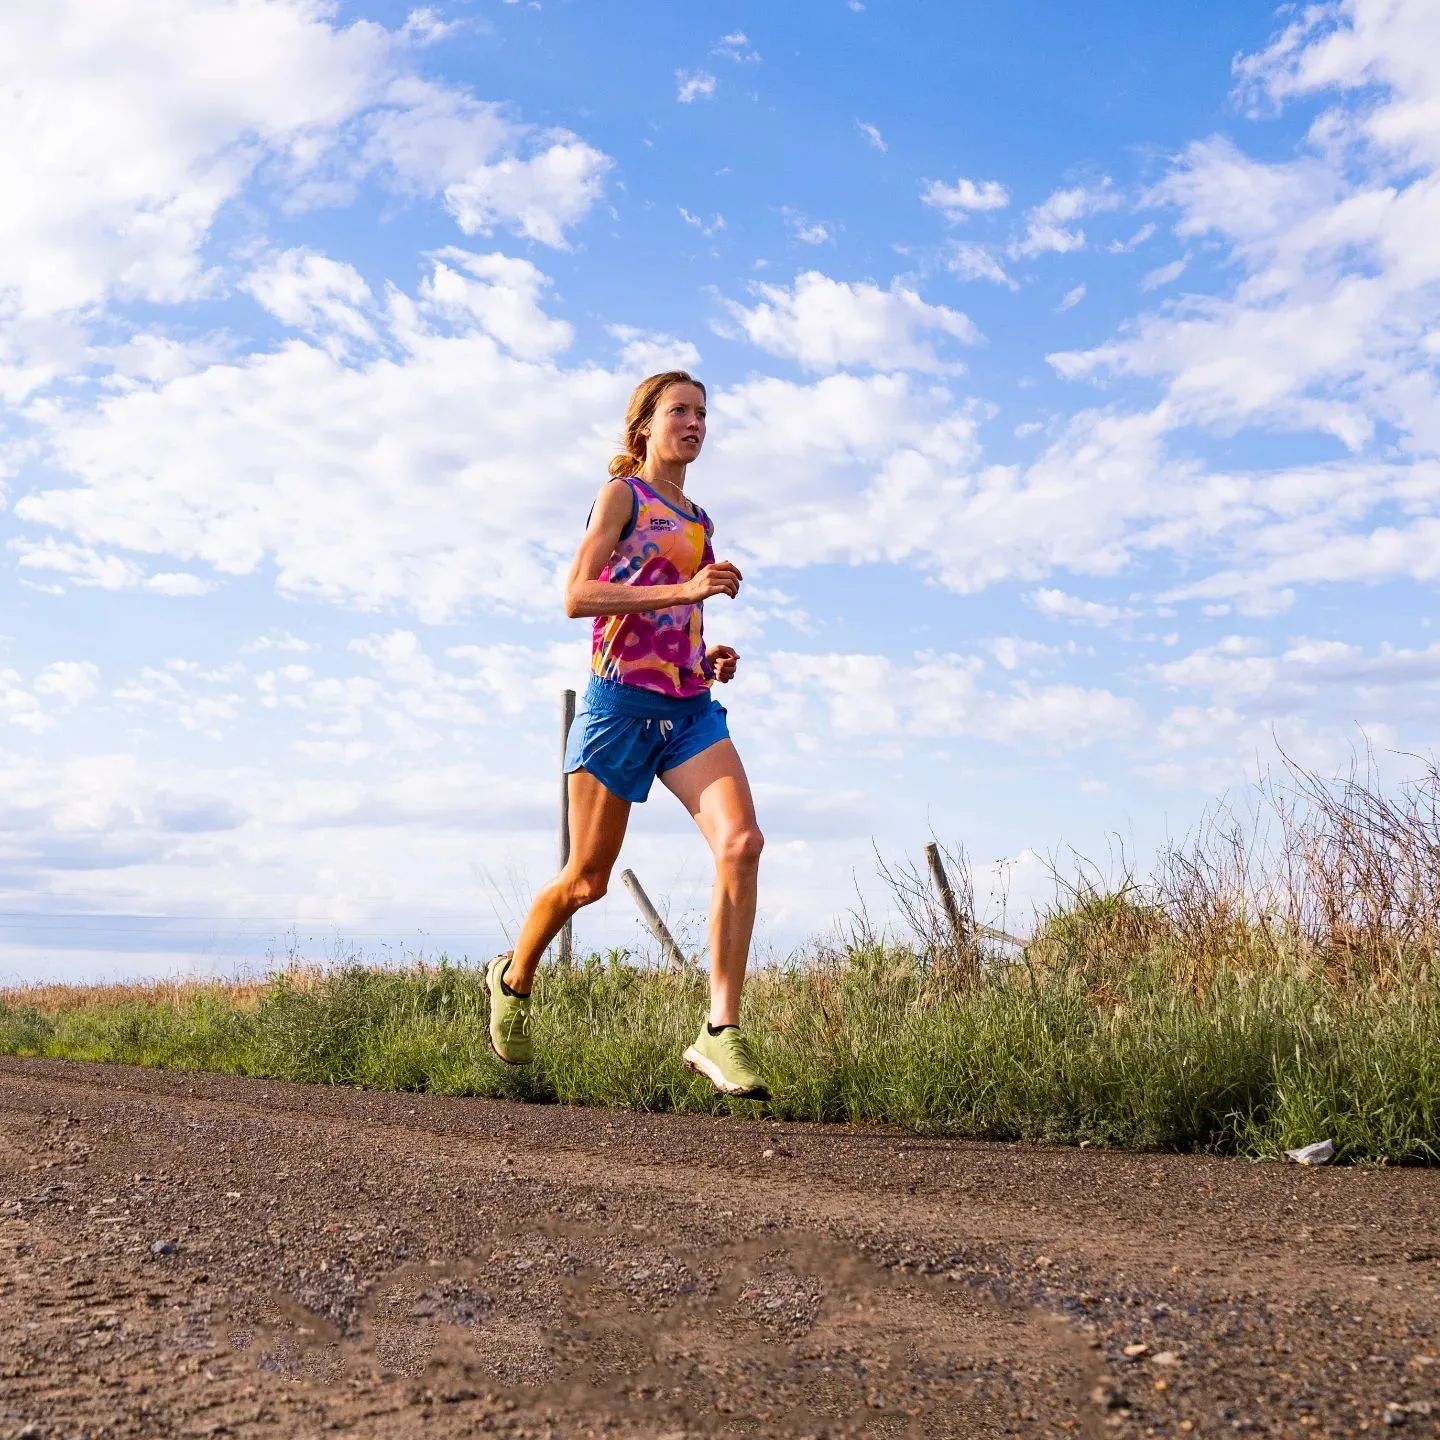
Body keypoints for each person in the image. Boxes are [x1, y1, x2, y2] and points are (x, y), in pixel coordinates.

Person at [485, 370, 769, 1100]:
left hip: (688, 707)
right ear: (643, 425)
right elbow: (578, 598)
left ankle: (719, 1031)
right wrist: (686, 589)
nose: (695, 422)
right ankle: (514, 978)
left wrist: (710, 655)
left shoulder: (701, 519)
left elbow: (678, 623)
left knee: (742, 843)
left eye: (704, 412)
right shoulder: (622, 497)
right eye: (680, 410)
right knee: (587, 880)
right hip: (619, 706)